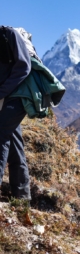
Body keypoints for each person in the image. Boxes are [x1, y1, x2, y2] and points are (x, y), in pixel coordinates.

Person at [0, 26, 31, 201]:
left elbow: (24, 67)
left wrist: (1, 91)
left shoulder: (9, 35)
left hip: (18, 96)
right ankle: (22, 197)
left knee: (0, 134)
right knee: (13, 142)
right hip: (5, 98)